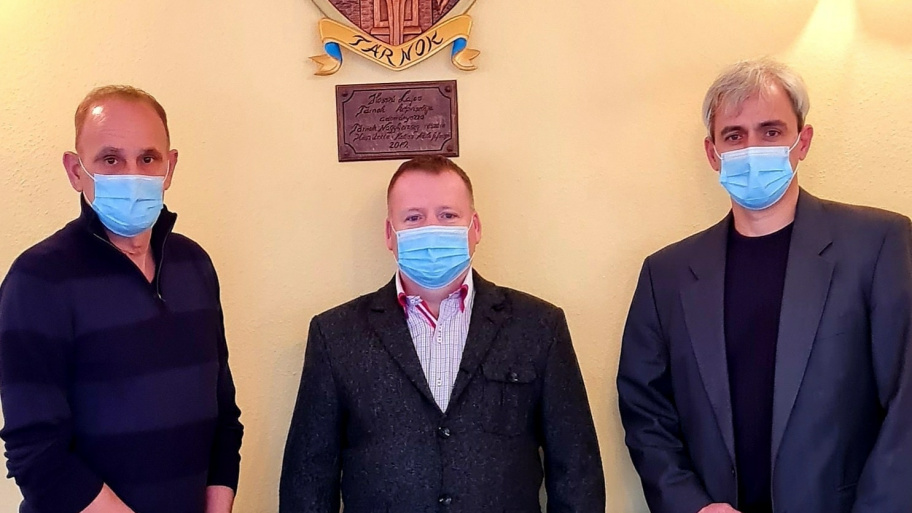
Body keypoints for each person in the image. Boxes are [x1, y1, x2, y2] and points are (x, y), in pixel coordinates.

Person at [617, 58, 912, 513]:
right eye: (734, 136)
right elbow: (645, 410)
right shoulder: (667, 274)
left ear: (802, 141)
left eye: (771, 131)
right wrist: (692, 505)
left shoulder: (878, 245)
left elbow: (906, 405)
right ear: (713, 153)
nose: (752, 148)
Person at [279, 156, 605, 513]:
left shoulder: (539, 326)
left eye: (448, 215)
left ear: (475, 228)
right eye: (413, 218)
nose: (431, 229)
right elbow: (308, 481)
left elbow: (577, 472)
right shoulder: (336, 335)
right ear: (389, 234)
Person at [0, 85, 243, 513]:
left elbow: (223, 418)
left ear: (169, 167)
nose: (132, 175)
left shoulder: (195, 265)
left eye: (148, 159)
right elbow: (36, 453)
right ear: (75, 171)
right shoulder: (36, 280)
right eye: (111, 160)